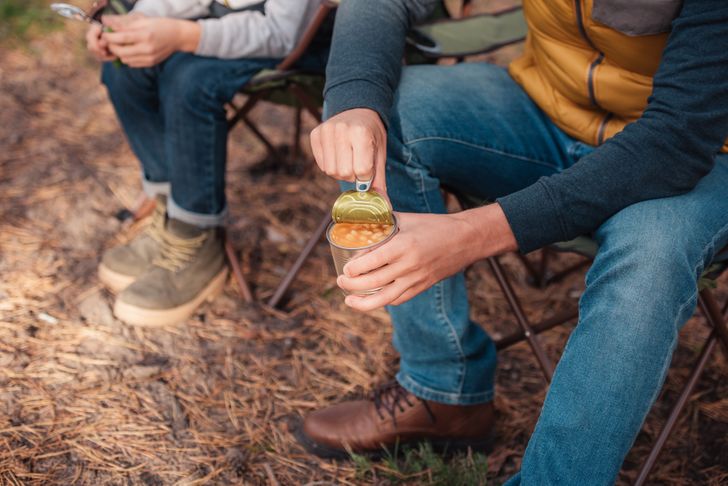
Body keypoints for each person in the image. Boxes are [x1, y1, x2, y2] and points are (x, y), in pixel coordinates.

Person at [295, 0, 728, 484]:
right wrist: (355, 101)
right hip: (548, 107)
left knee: (650, 256)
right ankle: (443, 389)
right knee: (384, 119)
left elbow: (676, 140)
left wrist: (469, 234)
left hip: (700, 150)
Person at [86, 0, 325, 326]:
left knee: (190, 81)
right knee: (127, 69)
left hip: (308, 38)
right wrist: (134, 27)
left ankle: (195, 236)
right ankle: (169, 209)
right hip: (217, 26)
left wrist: (183, 36)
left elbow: (282, 32)